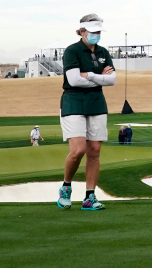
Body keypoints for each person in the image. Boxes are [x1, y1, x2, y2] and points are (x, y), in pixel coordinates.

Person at [58, 14, 116, 210]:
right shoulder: (72, 51)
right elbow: (73, 80)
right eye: (92, 32)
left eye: (98, 32)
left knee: (95, 150)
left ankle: (90, 196)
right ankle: (66, 187)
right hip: (73, 100)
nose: (96, 35)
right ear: (82, 31)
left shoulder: (103, 52)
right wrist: (100, 77)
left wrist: (90, 75)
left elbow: (112, 80)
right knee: (78, 150)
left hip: (96, 101)